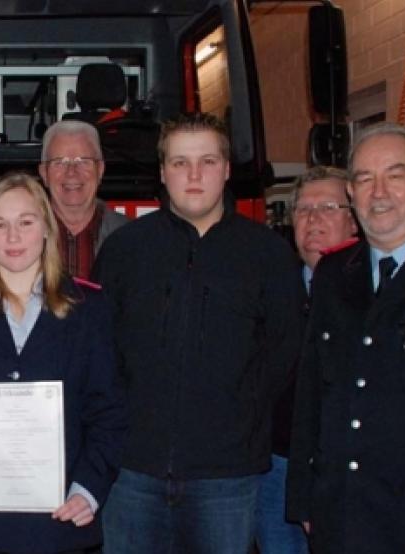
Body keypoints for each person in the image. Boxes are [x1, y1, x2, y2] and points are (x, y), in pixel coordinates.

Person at [93, 113, 305, 554]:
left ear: (226, 169)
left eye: (207, 161)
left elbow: (284, 351)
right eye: (180, 162)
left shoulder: (267, 254)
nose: (194, 175)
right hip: (131, 472)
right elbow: (98, 348)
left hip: (227, 478)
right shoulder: (124, 251)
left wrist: (236, 415)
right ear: (162, 172)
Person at [0, 172, 126, 554]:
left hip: (59, 517)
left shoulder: (89, 308)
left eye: (26, 223)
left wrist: (89, 489)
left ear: (47, 228)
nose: (13, 237)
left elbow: (108, 412)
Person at [286, 122, 405, 554]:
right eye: (365, 179)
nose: (378, 192)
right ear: (351, 193)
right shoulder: (334, 275)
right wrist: (304, 496)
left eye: (395, 175)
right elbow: (312, 394)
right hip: (342, 514)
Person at [255, 166, 357, 554]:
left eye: (328, 207)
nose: (313, 220)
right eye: (303, 209)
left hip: (345, 472)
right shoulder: (270, 289)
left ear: (354, 219)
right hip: (276, 469)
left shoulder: (374, 292)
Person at [37, 120, 128, 278]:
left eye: (83, 161)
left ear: (100, 170)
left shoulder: (132, 238)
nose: (71, 172)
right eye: (60, 162)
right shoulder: (20, 237)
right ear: (44, 173)